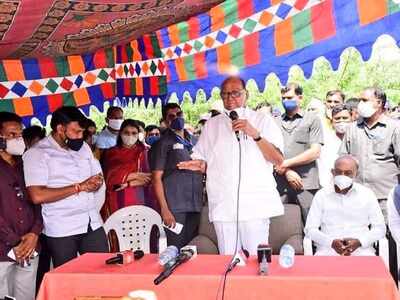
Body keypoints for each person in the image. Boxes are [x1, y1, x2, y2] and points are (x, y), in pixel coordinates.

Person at [179, 76, 284, 255]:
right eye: (225, 94)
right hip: (223, 204)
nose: (230, 98)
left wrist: (255, 134)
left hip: (254, 205)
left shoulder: (262, 120)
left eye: (235, 93)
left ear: (246, 95)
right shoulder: (212, 125)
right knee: (227, 261)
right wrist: (200, 165)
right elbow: (203, 158)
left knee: (256, 261)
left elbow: (278, 159)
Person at [23, 106, 109, 268]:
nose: (80, 136)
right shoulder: (38, 153)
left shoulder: (82, 147)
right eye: (76, 132)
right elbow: (37, 195)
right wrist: (79, 187)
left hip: (92, 221)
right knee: (67, 275)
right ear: (60, 129)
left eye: (82, 132)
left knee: (102, 269)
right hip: (62, 227)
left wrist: (96, 183)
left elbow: (96, 176)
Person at [339, 87, 400, 281]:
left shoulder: (394, 128)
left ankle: (390, 285)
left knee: (389, 243)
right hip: (357, 198)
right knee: (360, 241)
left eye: (364, 100)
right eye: (359, 100)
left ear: (379, 103)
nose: (360, 104)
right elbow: (342, 159)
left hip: (385, 198)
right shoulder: (352, 129)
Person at [305, 155, 385, 256]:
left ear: (356, 174)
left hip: (362, 251)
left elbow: (380, 228)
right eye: (339, 172)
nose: (342, 176)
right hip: (328, 250)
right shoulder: (321, 195)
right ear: (332, 172)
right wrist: (331, 242)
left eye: (348, 173)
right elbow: (310, 229)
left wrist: (359, 242)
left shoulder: (367, 194)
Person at [0, 112, 43, 300]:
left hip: (30, 246)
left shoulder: (27, 164)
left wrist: (34, 233)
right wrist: (16, 241)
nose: (18, 139)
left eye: (20, 134)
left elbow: (38, 200)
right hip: (3, 248)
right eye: (11, 135)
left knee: (26, 297)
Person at [151, 103, 203, 249]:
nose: (177, 118)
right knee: (175, 248)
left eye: (179, 114)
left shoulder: (194, 140)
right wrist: (164, 209)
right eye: (171, 116)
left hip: (195, 202)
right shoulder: (162, 143)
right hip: (175, 206)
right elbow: (156, 178)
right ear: (165, 120)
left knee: (191, 248)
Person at [274, 83, 324, 222]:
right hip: (280, 183)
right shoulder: (274, 121)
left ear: (300, 98)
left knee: (310, 224)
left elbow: (315, 152)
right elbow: (269, 152)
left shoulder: (312, 119)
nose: (285, 101)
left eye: (289, 97)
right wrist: (286, 170)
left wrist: (285, 164)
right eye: (283, 98)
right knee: (279, 225)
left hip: (306, 183)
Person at [318, 105, 353, 187]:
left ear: (352, 119)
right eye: (337, 119)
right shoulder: (324, 141)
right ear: (332, 121)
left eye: (345, 118)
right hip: (329, 187)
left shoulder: (357, 139)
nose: (341, 121)